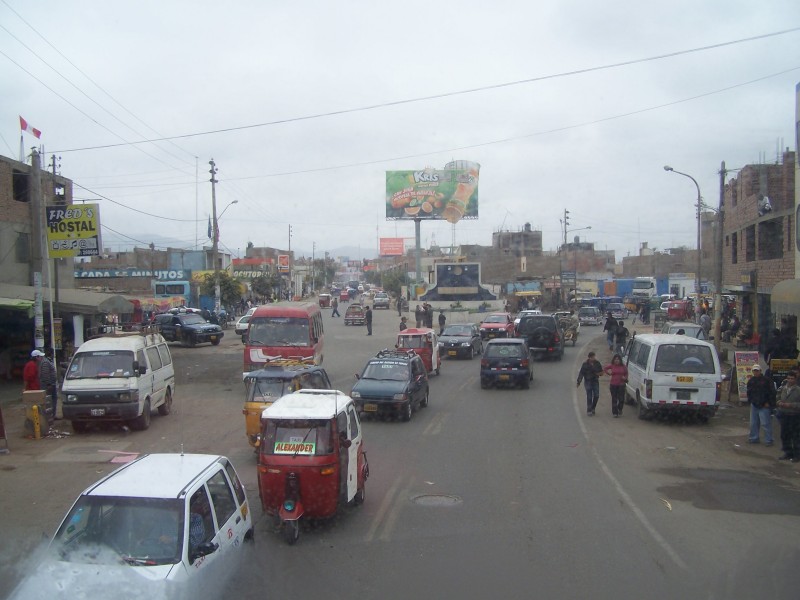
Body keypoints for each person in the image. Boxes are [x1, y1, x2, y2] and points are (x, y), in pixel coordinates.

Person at [746, 364, 775, 446]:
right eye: (754, 371)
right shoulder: (751, 380)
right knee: (753, 423)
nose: (756, 372)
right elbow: (749, 392)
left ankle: (769, 440)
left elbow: (772, 392)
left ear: (760, 371)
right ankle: (754, 438)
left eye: (757, 371)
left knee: (765, 423)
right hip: (754, 404)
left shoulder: (767, 380)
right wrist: (750, 401)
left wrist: (769, 403)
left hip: (764, 405)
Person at [776, 370, 800, 462]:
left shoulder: (798, 390)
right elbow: (777, 396)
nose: (790, 380)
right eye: (789, 378)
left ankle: (797, 455)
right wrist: (778, 402)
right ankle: (788, 452)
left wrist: (791, 405)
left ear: (795, 379)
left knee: (795, 436)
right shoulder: (783, 388)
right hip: (784, 414)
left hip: (794, 415)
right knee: (784, 434)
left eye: (792, 379)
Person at [576, 351, 603, 416]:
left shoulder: (597, 363)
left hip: (595, 381)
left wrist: (599, 373)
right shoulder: (585, 364)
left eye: (594, 357)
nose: (593, 358)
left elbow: (601, 372)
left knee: (596, 395)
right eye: (592, 357)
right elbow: (581, 373)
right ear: (589, 358)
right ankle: (589, 410)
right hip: (588, 381)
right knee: (589, 396)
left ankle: (593, 407)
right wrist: (578, 382)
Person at [39, 350, 58, 420]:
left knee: (53, 400)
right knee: (50, 401)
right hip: (48, 385)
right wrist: (49, 384)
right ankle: (50, 416)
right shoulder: (46, 362)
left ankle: (53, 415)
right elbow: (45, 374)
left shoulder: (48, 361)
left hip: (51, 384)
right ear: (51, 354)